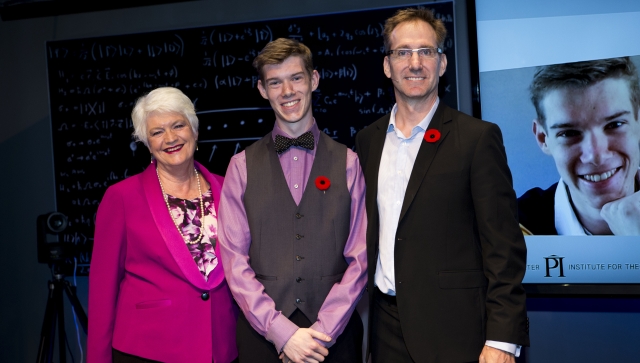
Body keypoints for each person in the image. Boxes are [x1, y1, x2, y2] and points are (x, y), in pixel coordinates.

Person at [355, 7, 529, 363]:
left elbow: (505, 249)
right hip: (383, 332)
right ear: (387, 66)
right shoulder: (366, 141)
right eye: (403, 52)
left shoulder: (478, 138)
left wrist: (502, 339)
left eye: (426, 51)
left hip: (458, 333)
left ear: (443, 63)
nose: (414, 63)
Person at [218, 38, 367, 363]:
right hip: (263, 340)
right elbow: (233, 260)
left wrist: (320, 332)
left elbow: (361, 258)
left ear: (313, 80)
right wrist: (282, 333)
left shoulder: (348, 162)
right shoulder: (240, 166)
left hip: (334, 338)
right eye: (275, 82)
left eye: (296, 78)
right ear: (262, 89)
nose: (287, 91)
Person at [88, 87, 238, 363]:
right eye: (157, 132)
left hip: (221, 346)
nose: (170, 138)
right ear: (146, 142)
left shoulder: (229, 188)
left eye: (178, 125)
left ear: (194, 129)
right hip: (148, 349)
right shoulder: (121, 197)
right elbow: (102, 288)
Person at [519, 57, 640, 236]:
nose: (596, 156)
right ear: (543, 138)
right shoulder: (504, 229)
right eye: (568, 133)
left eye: (615, 124)